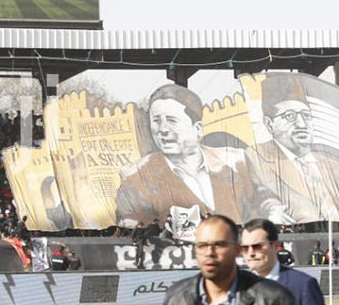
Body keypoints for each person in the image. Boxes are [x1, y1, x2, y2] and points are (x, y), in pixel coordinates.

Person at [115, 85, 278, 226]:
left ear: (197, 129)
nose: (163, 130)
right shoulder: (136, 177)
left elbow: (263, 197)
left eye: (172, 120)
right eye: (157, 121)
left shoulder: (235, 161)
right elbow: (130, 219)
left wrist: (272, 208)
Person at [244, 74, 339, 223]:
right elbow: (261, 195)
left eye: (306, 115)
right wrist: (271, 210)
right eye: (290, 116)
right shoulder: (257, 156)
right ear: (269, 123)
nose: (301, 123)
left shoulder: (336, 168)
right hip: (296, 235)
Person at [158, 215, 303, 305]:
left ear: (237, 250)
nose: (209, 253)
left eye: (219, 245)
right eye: (202, 246)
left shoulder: (274, 298)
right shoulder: (176, 298)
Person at [242, 219, 332, 305]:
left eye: (257, 246)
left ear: (275, 246)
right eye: (245, 248)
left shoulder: (303, 286)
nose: (250, 253)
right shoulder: (238, 287)